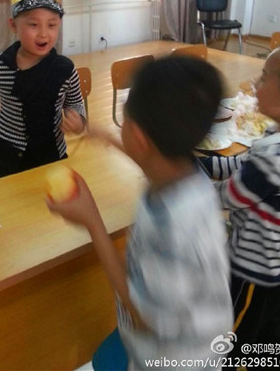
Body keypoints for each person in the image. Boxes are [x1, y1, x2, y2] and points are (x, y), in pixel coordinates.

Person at [47, 56, 233, 370]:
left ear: (138, 137)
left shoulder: (173, 229)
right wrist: (102, 134)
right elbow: (150, 161)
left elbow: (145, 319)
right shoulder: (185, 174)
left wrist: (93, 222)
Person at [199, 43, 280, 369]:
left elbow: (226, 197)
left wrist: (178, 179)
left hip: (252, 269)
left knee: (232, 334)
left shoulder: (274, 158)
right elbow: (240, 165)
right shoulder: (276, 141)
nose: (255, 83)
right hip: (278, 265)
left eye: (264, 78)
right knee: (271, 331)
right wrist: (203, 165)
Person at [0, 0, 85, 179]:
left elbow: (75, 102)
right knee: (8, 196)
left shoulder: (65, 69)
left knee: (51, 194)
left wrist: (78, 120)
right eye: (33, 25)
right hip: (8, 155)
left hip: (50, 153)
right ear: (14, 25)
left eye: (51, 25)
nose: (43, 33)